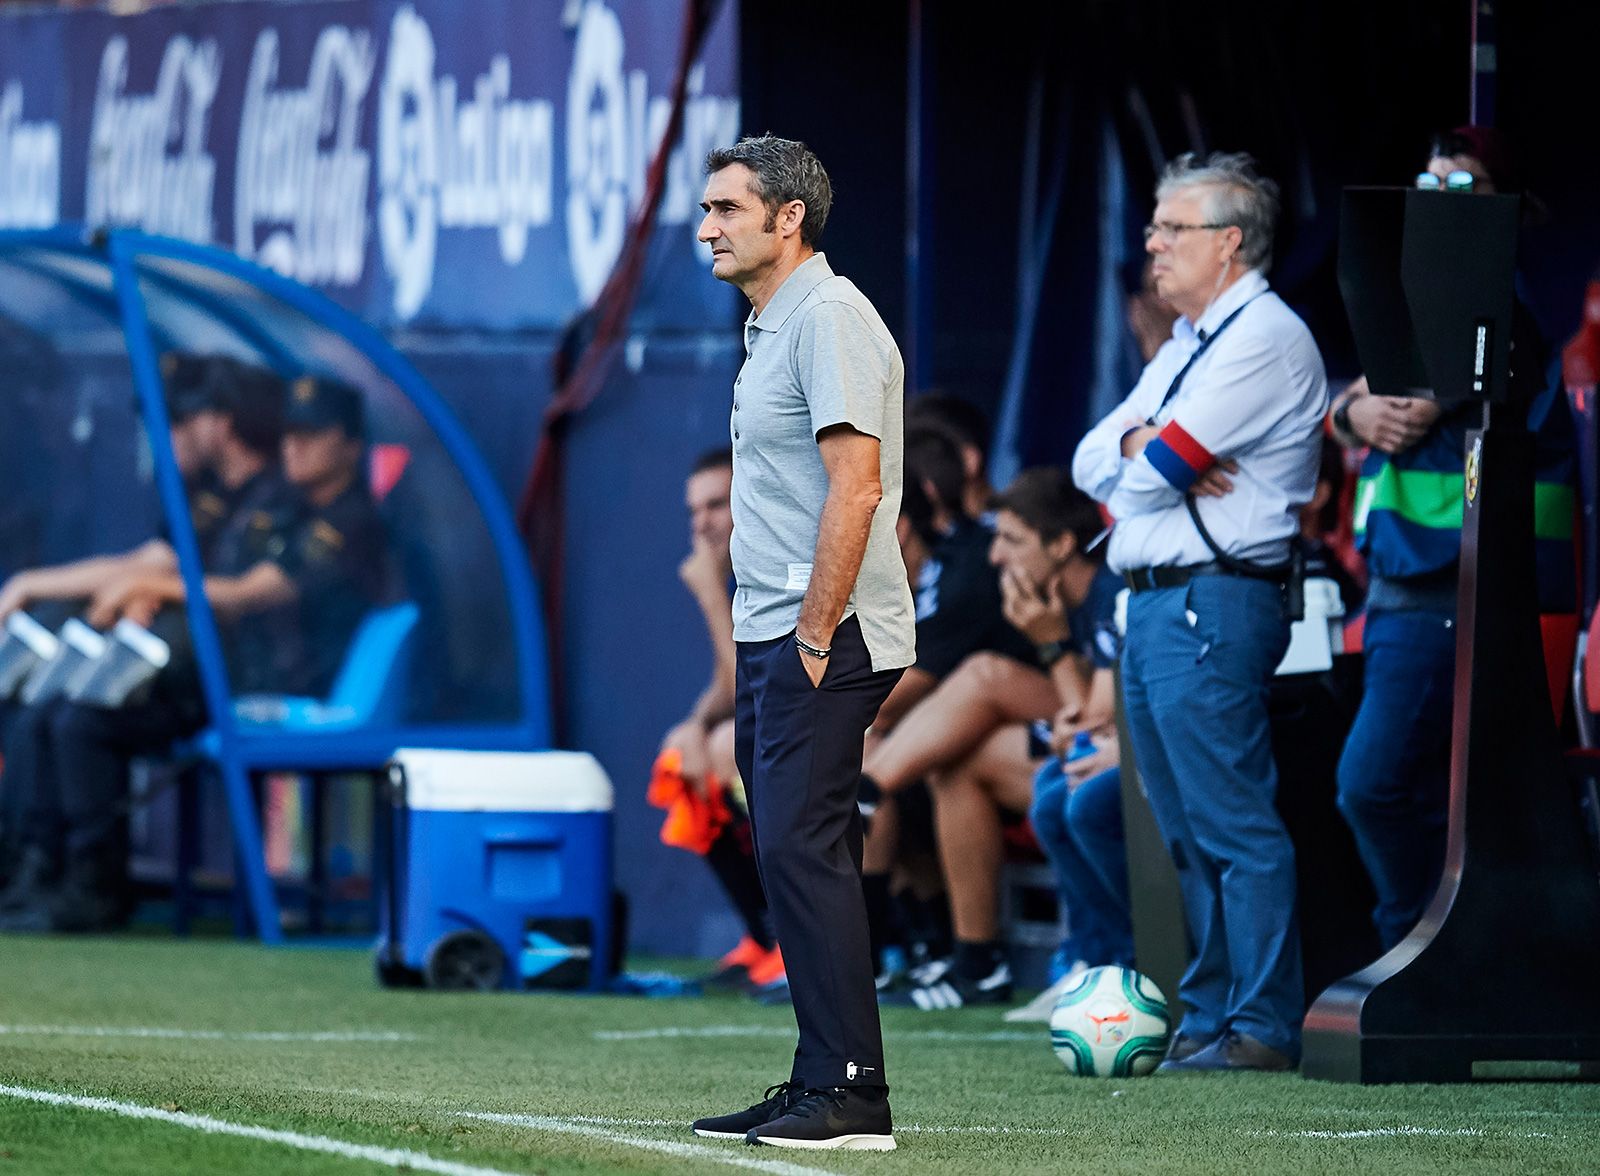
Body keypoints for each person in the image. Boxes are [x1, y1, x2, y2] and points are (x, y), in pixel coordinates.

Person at [1073, 151, 1328, 1072]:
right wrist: (1143, 445)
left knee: (1232, 824)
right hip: (1155, 608)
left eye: (1172, 229)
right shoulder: (1188, 341)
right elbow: (1093, 459)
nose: (1152, 244)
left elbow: (1144, 481)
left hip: (1209, 603)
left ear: (1230, 242)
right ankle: (1213, 1016)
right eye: (1152, 227)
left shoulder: (1263, 334)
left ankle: (1259, 1025)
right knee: (1181, 826)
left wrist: (1144, 456)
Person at [689, 134, 911, 1151]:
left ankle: (853, 1092)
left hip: (824, 631)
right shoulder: (774, 323)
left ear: (789, 218)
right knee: (785, 853)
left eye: (728, 209)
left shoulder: (828, 317)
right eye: (705, 209)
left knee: (801, 849)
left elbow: (856, 489)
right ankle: (820, 1074)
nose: (706, 228)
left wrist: (814, 631)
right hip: (779, 628)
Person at [2, 374, 390, 933]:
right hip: (230, 676)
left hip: (275, 688)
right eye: (291, 434)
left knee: (80, 721)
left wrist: (152, 591)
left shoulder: (344, 520)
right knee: (51, 707)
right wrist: (40, 584)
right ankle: (34, 869)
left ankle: (91, 886)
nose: (295, 447)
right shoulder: (256, 503)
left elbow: (246, 594)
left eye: (315, 435)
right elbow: (152, 563)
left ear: (352, 445)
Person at [1327, 127, 1573, 952]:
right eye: (1425, 182)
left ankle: (1416, 945)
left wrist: (1368, 400)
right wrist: (1348, 410)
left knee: (1374, 785)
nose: (1437, 201)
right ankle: (1435, 946)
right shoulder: (1422, 305)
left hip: (1463, 594)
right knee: (1413, 784)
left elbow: (1418, 385)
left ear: (1507, 208)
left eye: (1459, 185)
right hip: (1402, 590)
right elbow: (1368, 391)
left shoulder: (1499, 314)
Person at [879, 468, 1120, 1011]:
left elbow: (1093, 724)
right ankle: (977, 966)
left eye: (1011, 541)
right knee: (962, 766)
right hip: (1092, 756)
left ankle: (862, 793)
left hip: (1139, 769)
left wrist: (1053, 646)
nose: (996, 559)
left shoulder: (1105, 589)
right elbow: (1083, 722)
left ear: (1061, 545)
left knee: (989, 680)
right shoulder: (1058, 598)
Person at [650, 446, 783, 993]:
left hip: (830, 728)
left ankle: (793, 940)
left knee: (732, 747)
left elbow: (748, 689)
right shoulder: (736, 574)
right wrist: (694, 724)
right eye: (694, 511)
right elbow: (725, 686)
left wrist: (708, 595)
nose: (702, 524)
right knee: (683, 756)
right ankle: (763, 935)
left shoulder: (778, 564)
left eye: (717, 506)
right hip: (773, 727)